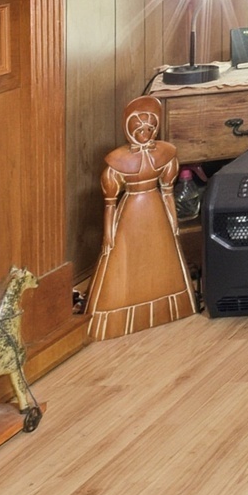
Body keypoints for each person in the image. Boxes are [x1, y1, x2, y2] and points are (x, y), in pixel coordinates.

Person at [86, 93, 196, 340]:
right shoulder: (116, 162)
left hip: (156, 211)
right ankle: (114, 317)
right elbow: (110, 204)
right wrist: (108, 237)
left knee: (162, 256)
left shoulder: (166, 154)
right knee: (124, 259)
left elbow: (168, 191)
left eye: (150, 127)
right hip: (130, 215)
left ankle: (170, 306)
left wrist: (174, 224)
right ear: (129, 128)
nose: (145, 132)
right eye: (139, 127)